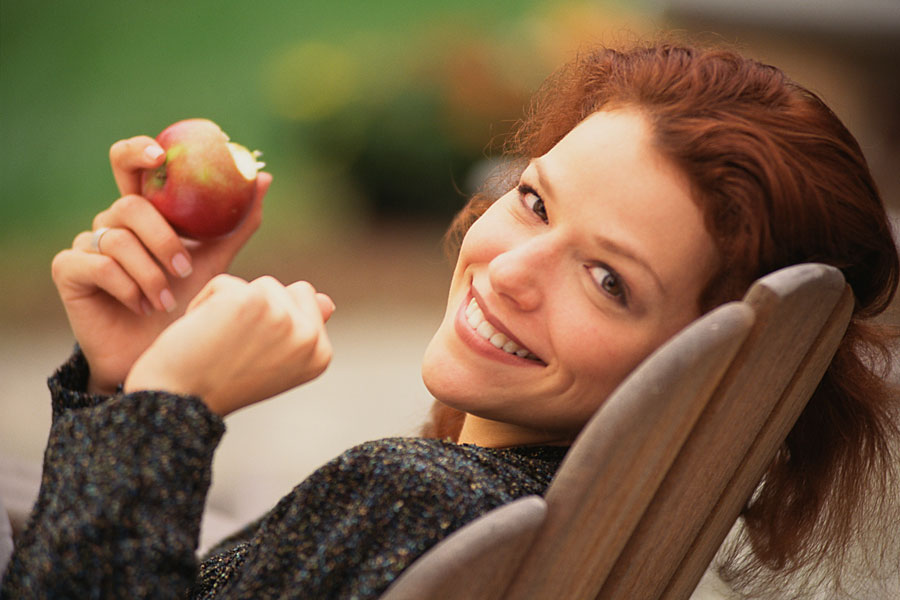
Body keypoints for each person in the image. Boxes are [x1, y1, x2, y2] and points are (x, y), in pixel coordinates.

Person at [2, 39, 898, 599]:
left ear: (694, 370)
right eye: (537, 202)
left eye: (607, 280)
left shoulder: (421, 498)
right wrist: (126, 377)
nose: (507, 267)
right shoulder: (513, 507)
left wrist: (170, 404)